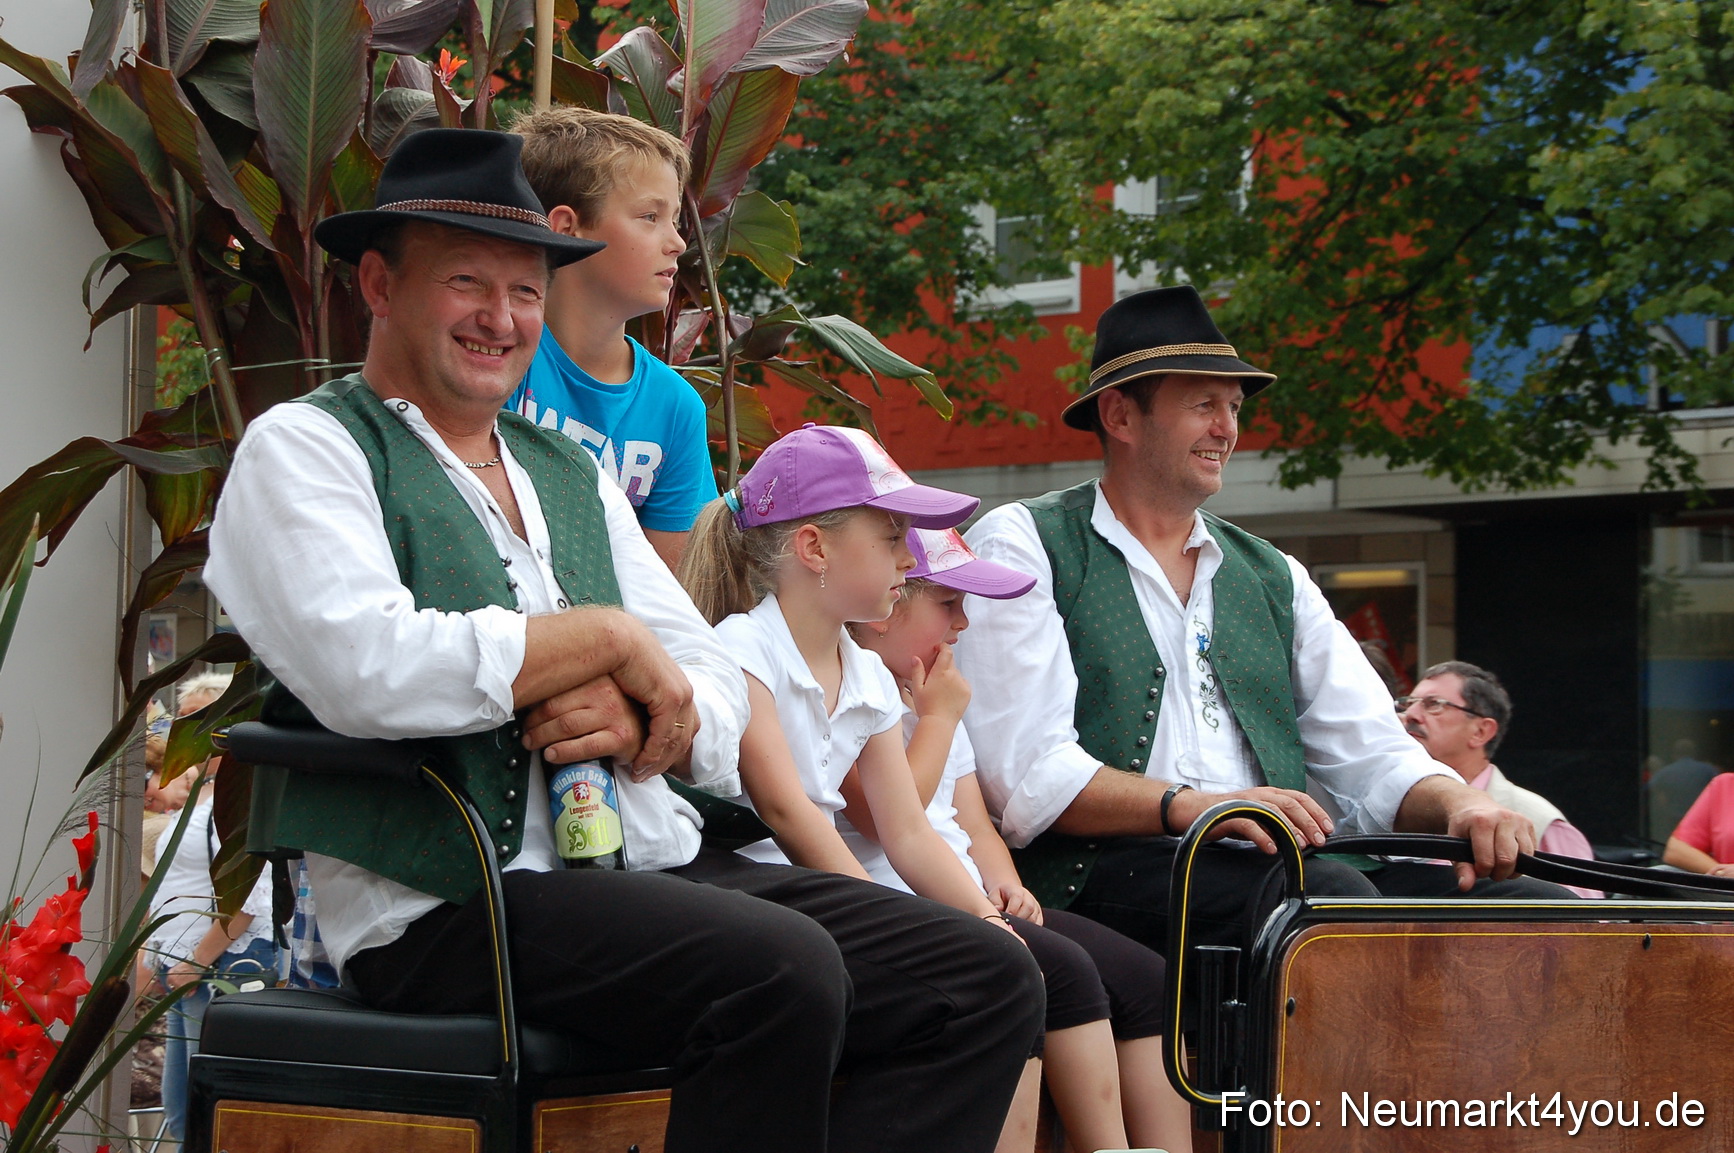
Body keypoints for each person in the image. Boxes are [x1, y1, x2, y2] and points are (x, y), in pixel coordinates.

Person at [203, 129, 1040, 1153]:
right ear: (379, 283)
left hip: (636, 866)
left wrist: (645, 700)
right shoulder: (309, 446)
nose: (500, 318)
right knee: (783, 967)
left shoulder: (569, 471)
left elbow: (717, 689)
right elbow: (368, 667)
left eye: (522, 292)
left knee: (986, 976)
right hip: (449, 897)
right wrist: (599, 636)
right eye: (466, 282)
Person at [955, 285, 1567, 954]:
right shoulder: (1025, 542)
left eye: (1234, 407)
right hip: (1095, 872)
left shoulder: (1272, 573)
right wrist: (1200, 805)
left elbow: (1371, 751)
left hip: (1283, 872)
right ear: (1120, 415)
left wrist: (1461, 804)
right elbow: (1024, 776)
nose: (1228, 428)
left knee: (1540, 904)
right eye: (1203, 405)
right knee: (1326, 904)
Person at [846, 527, 1194, 1153]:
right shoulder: (876, 696)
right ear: (885, 609)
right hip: (902, 901)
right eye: (948, 605)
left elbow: (972, 820)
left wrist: (1004, 878)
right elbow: (886, 816)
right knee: (1058, 975)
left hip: (967, 896)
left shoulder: (929, 693)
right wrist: (938, 719)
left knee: (1147, 981)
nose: (962, 625)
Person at [510, 107, 717, 570]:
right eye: (649, 216)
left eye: (675, 219)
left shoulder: (675, 406)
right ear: (566, 228)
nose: (678, 242)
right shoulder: (497, 358)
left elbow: (681, 589)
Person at [145, 674, 276, 1142]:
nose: (187, 729)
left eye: (202, 717)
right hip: (186, 969)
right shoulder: (201, 792)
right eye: (185, 718)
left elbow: (250, 894)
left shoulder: (240, 793)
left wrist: (194, 962)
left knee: (208, 1119)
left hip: (215, 970)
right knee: (184, 1115)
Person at [1397, 661, 1601, 899]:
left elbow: (1586, 925)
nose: (1410, 715)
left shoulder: (1540, 821)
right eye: (1407, 704)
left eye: (1433, 705)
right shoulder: (1390, 807)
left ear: (1481, 732)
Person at [1647, 738, 1721, 848]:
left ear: (1674, 753)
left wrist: (1663, 804)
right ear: (1694, 752)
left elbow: (1650, 788)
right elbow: (1721, 789)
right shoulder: (1708, 769)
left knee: (1675, 848)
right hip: (1702, 821)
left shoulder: (1666, 772)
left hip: (1674, 818)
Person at [1662, 771, 1734, 878]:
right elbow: (1677, 849)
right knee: (1659, 874)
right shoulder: (1725, 784)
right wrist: (1722, 875)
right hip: (1725, 890)